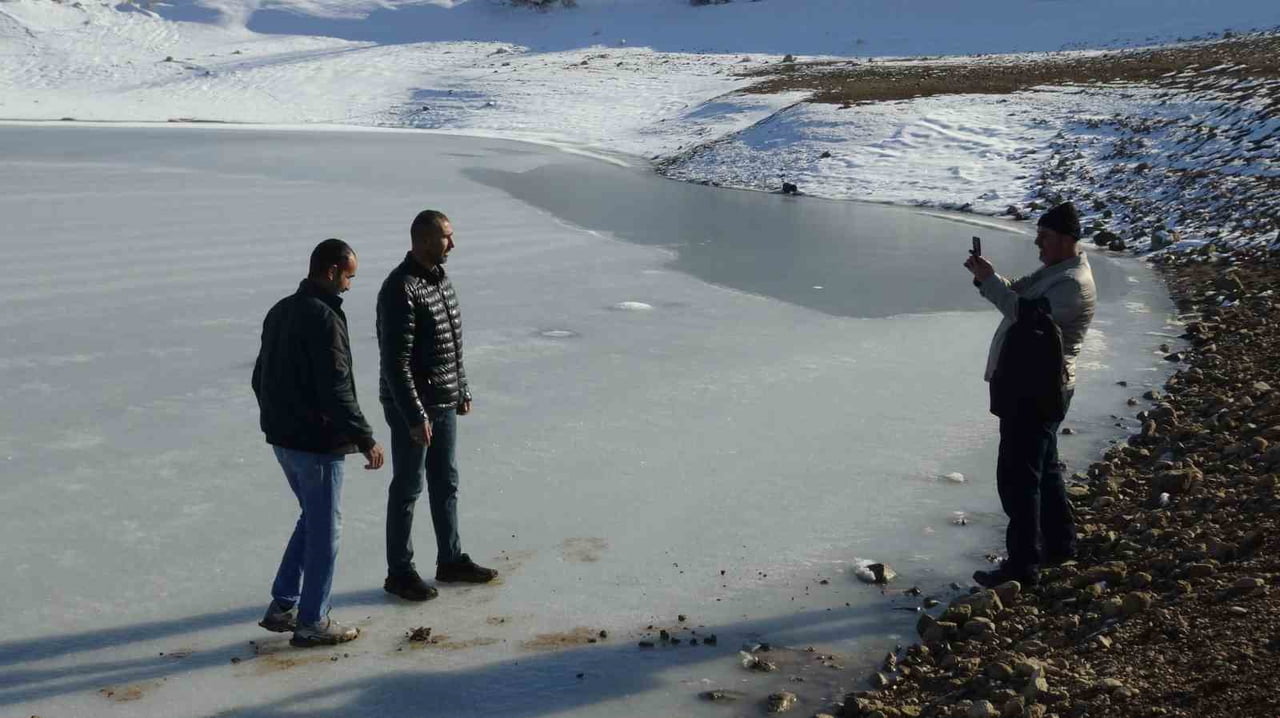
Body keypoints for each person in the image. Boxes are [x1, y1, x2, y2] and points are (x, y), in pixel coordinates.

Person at [252, 238, 385, 647]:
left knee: (311, 519)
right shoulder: (324, 317)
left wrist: (278, 420)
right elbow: (336, 388)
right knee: (326, 530)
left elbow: (259, 376)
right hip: (316, 444)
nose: (349, 285)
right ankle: (313, 620)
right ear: (331, 271)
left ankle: (284, 605)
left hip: (284, 440)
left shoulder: (280, 310)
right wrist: (365, 438)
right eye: (348, 277)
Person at [963, 202, 1096, 588]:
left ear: (1067, 239)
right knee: (1045, 470)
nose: (1038, 243)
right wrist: (988, 277)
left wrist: (990, 282)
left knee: (1018, 478)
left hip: (1037, 390)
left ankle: (1022, 565)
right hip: (1035, 386)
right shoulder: (1056, 272)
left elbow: (1026, 314)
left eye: (1045, 237)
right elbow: (1018, 293)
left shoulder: (1072, 283)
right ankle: (1060, 544)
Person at [378, 210, 497, 602]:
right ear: (425, 240)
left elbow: (451, 343)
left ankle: (450, 560)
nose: (453, 244)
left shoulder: (440, 280)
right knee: (408, 486)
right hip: (411, 407)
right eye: (447, 236)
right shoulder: (401, 288)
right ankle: (400, 572)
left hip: (443, 400)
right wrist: (414, 415)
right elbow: (395, 362)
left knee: (446, 481)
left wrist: (461, 388)